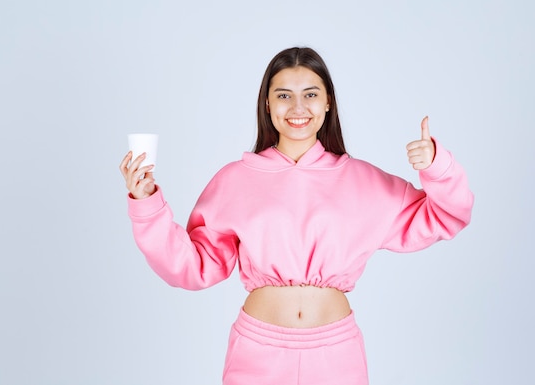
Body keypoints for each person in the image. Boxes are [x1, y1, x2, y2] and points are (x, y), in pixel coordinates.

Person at [119, 47, 474, 385]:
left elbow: (447, 215)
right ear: (268, 103)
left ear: (328, 102)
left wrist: (437, 167)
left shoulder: (364, 181)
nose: (298, 106)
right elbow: (192, 266)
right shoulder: (235, 179)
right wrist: (146, 200)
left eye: (311, 94)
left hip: (336, 355)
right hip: (257, 354)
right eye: (284, 95)